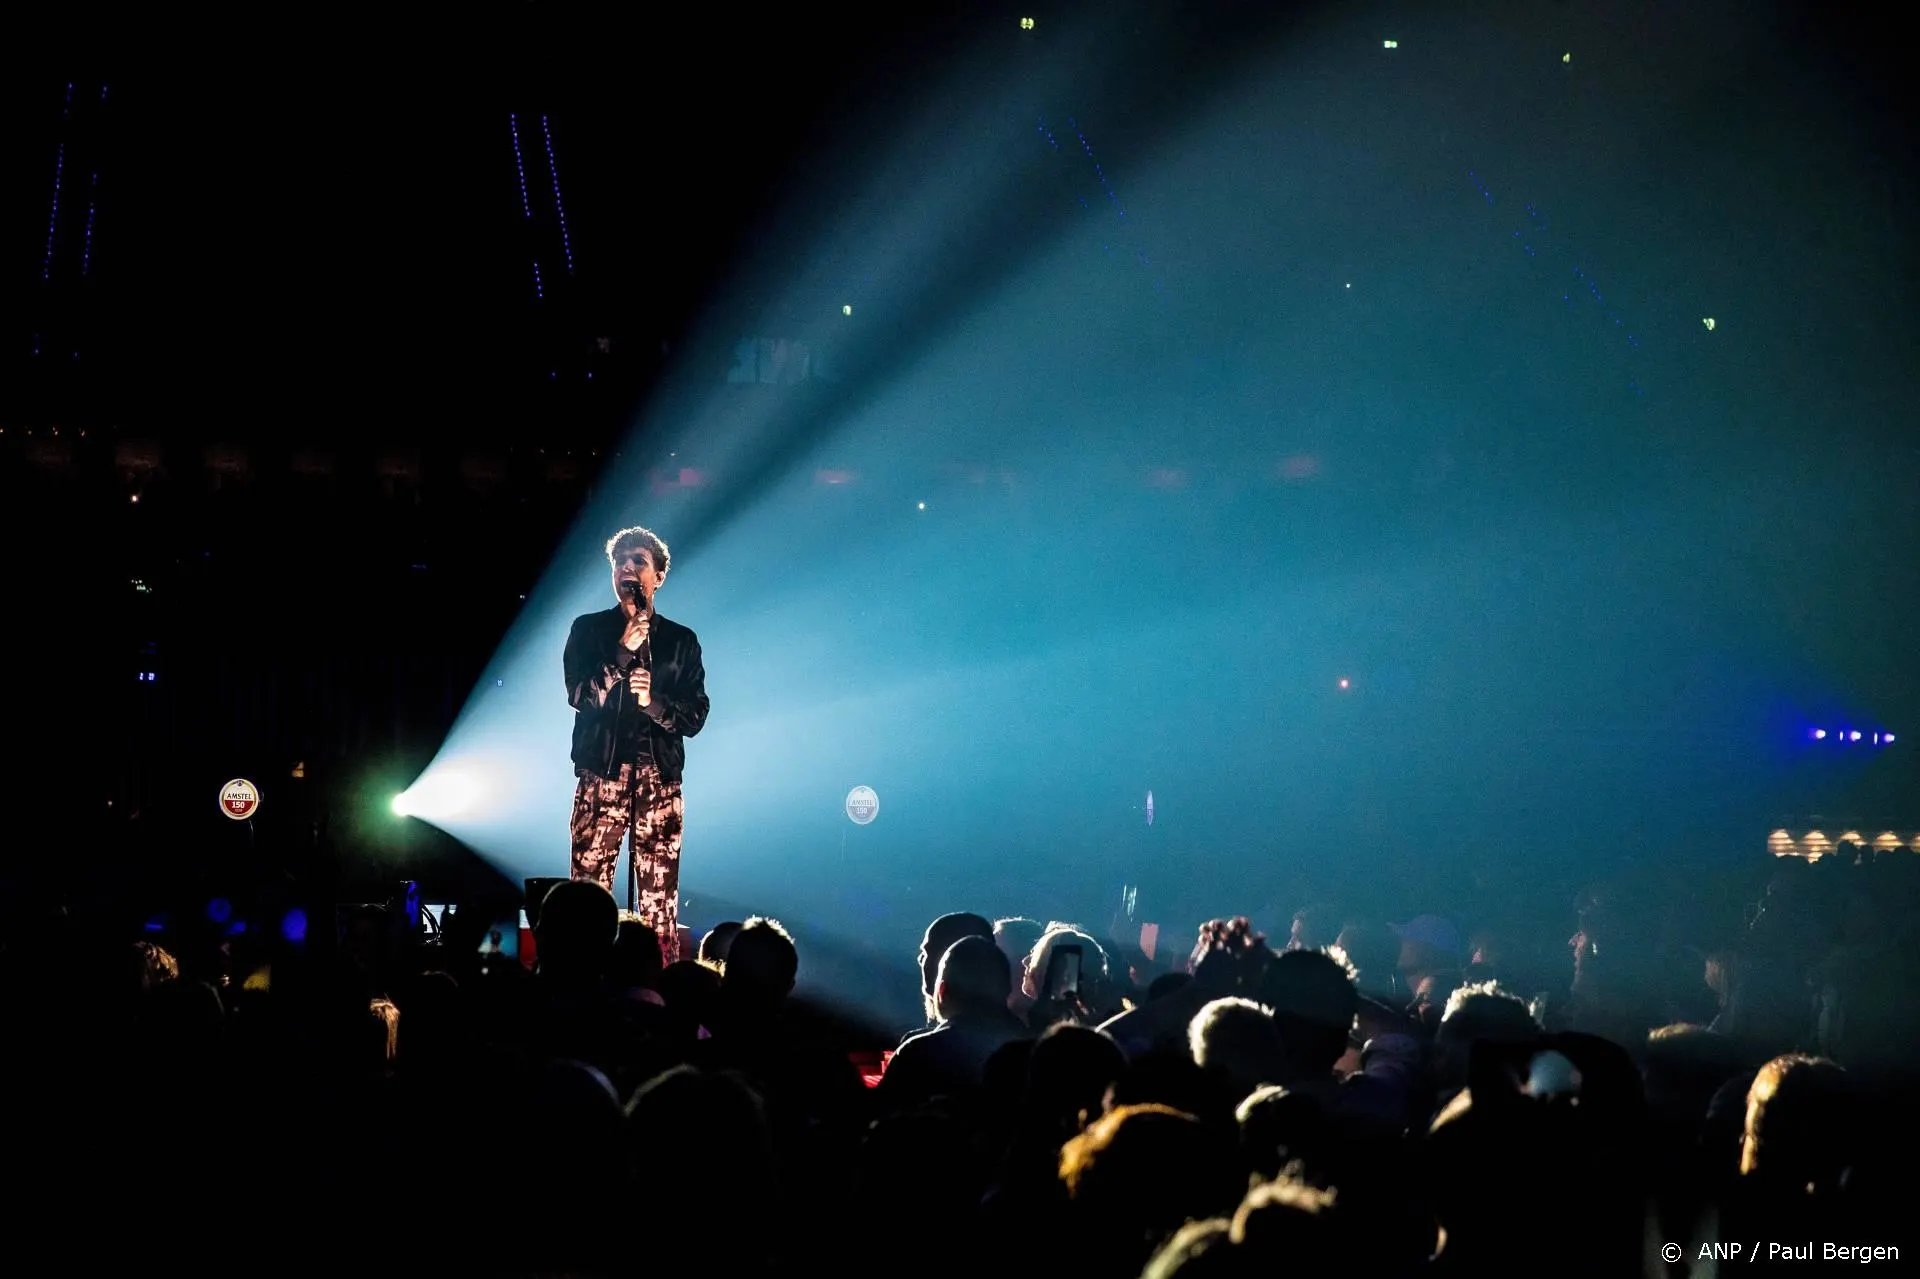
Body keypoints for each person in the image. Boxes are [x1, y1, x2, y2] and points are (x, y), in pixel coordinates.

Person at [565, 526, 710, 961]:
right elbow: (579, 696)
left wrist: (653, 703)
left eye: (638, 562)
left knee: (659, 900)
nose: (627, 568)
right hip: (601, 776)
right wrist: (621, 653)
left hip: (659, 782)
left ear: (658, 576)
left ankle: (659, 987)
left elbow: (696, 714)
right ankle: (578, 976)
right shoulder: (589, 630)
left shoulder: (681, 640)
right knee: (587, 892)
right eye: (620, 562)